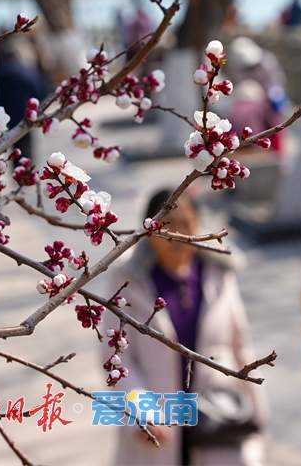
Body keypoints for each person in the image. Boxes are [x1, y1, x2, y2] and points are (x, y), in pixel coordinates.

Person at [103, 189, 266, 465]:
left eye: (186, 224)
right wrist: (143, 412)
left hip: (219, 415)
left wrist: (256, 411)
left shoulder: (218, 272)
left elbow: (241, 345)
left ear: (197, 227)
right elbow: (116, 361)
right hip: (157, 422)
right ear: (150, 231)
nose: (176, 236)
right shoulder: (128, 281)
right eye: (167, 226)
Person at [0, 37, 47, 160]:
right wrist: (39, 107)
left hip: (10, 117)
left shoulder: (2, 75)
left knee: (15, 145)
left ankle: (18, 170)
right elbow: (40, 89)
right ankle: (28, 168)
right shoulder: (28, 72)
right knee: (27, 143)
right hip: (28, 114)